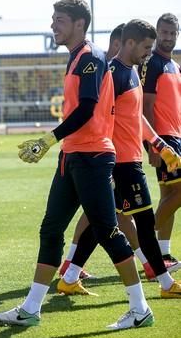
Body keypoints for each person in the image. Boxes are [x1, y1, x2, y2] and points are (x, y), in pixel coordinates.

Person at [0, 0, 153, 330]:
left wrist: (48, 139)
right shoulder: (76, 57)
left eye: (59, 19)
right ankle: (31, 309)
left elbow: (88, 107)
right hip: (74, 155)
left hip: (92, 156)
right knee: (51, 229)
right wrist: (59, 145)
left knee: (107, 231)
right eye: (53, 18)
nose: (53, 25)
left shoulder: (90, 57)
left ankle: (140, 309)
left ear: (80, 24)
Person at [58, 19, 181, 299]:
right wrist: (105, 161)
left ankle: (69, 276)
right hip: (120, 163)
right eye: (146, 47)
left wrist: (159, 144)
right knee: (145, 223)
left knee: (102, 221)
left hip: (130, 159)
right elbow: (100, 117)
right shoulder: (112, 73)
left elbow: (136, 116)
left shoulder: (133, 71)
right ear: (129, 43)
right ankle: (165, 283)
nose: (148, 52)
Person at [58, 23, 127, 280]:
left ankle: (71, 268)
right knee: (114, 220)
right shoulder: (106, 67)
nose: (147, 53)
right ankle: (155, 268)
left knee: (100, 216)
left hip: (102, 152)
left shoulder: (99, 63)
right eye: (143, 47)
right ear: (121, 44)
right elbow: (89, 109)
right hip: (101, 153)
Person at [140, 13, 181, 271]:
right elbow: (145, 106)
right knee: (178, 193)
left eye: (172, 33)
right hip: (163, 139)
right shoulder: (152, 63)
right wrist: (152, 145)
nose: (167, 37)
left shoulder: (174, 65)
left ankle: (163, 255)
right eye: (163, 32)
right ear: (157, 33)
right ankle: (147, 246)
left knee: (170, 196)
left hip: (176, 137)